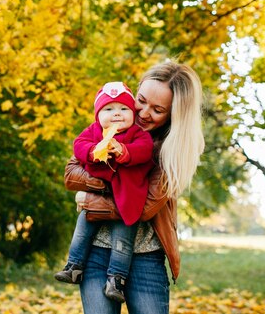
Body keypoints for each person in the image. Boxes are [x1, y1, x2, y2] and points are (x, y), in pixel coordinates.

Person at [64, 61, 205, 314]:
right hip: (96, 252)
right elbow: (72, 172)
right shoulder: (110, 125)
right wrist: (98, 177)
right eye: (141, 100)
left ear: (174, 114)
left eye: (158, 110)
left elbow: (143, 209)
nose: (143, 112)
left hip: (145, 259)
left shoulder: (171, 150)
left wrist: (89, 199)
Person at [54, 81, 154, 303]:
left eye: (123, 109)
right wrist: (92, 151)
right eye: (108, 109)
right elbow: (78, 145)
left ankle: (116, 279)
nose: (116, 114)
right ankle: (74, 265)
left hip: (126, 196)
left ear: (133, 113)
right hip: (96, 195)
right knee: (83, 228)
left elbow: (145, 151)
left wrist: (124, 151)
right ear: (98, 115)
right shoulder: (94, 131)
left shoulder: (137, 134)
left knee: (123, 239)